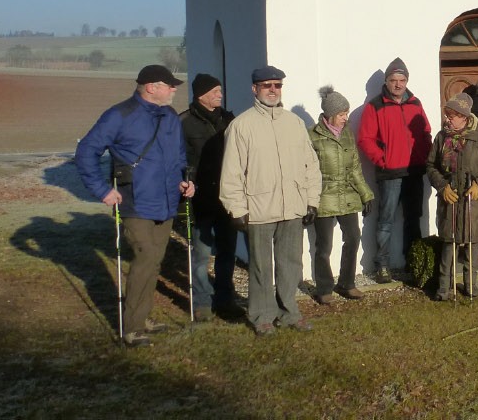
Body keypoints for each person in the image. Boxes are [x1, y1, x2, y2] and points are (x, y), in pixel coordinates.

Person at [75, 64, 195, 347]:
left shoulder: (169, 116)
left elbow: (178, 156)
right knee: (145, 257)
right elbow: (86, 151)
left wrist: (184, 181)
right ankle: (132, 328)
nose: (175, 89)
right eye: (169, 85)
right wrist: (103, 191)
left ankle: (143, 319)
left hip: (167, 201)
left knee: (154, 261)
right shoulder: (119, 115)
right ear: (151, 87)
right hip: (135, 203)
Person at [220, 66, 322, 337]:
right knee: (261, 267)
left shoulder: (294, 123)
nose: (273, 90)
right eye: (267, 85)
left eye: (277, 85)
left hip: (293, 206)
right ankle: (262, 316)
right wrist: (236, 208)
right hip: (258, 208)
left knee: (291, 263)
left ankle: (289, 313)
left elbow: (310, 165)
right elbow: (231, 171)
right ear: (255, 89)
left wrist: (312, 200)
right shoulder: (241, 126)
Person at [357, 57, 432, 283]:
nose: (398, 84)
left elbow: (426, 132)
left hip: (414, 171)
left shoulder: (415, 103)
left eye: (402, 79)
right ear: (387, 82)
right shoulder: (375, 106)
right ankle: (382, 265)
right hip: (390, 174)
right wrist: (383, 160)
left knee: (413, 218)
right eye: (393, 80)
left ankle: (413, 263)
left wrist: (425, 156)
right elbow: (365, 139)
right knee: (386, 221)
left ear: (407, 81)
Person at [425, 93, 478, 299]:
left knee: (472, 243)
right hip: (450, 199)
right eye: (447, 115)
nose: (448, 119)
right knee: (449, 244)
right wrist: (442, 186)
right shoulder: (442, 137)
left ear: (465, 116)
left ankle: (470, 285)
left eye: (452, 115)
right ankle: (444, 287)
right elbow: (431, 165)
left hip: (474, 201)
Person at [180, 72, 240, 322]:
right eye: (215, 91)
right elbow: (178, 158)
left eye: (220, 90)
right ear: (201, 94)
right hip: (200, 199)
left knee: (227, 252)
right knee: (201, 255)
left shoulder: (229, 119)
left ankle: (225, 299)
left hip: (227, 197)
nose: (220, 94)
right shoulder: (183, 122)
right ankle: (203, 303)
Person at [308, 86, 375, 303]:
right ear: (329, 115)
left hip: (347, 196)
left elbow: (355, 168)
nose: (345, 118)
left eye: (346, 113)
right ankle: (324, 288)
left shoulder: (347, 135)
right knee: (323, 247)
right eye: (341, 114)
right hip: (324, 198)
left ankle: (347, 283)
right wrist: (307, 202)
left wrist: (366, 195)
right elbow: (306, 170)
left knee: (353, 238)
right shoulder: (313, 136)